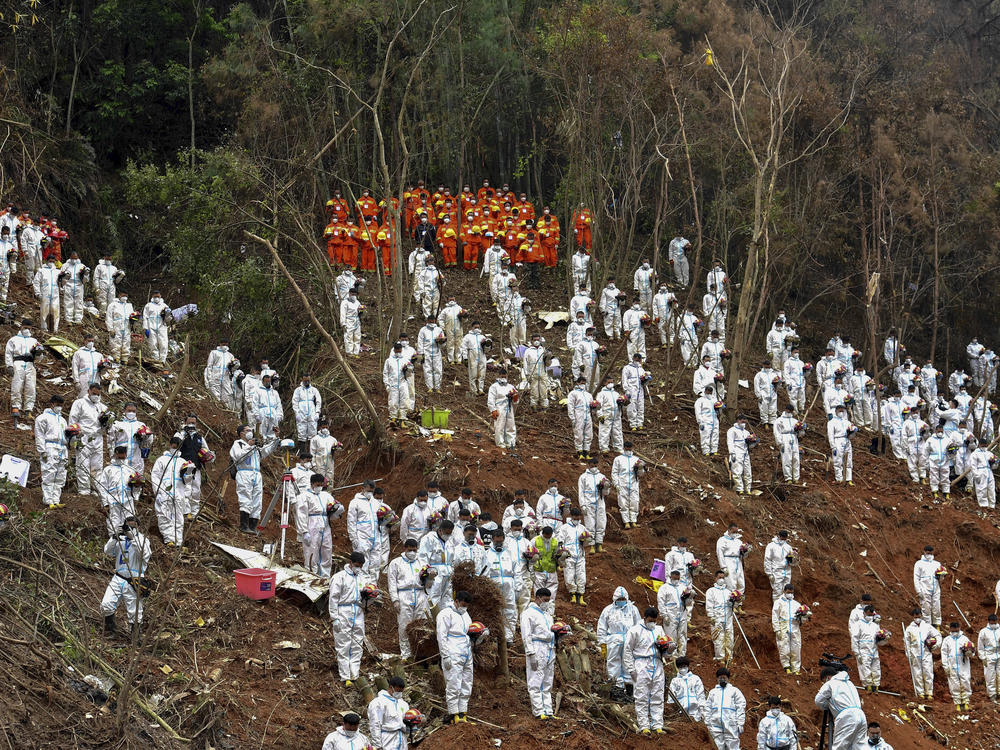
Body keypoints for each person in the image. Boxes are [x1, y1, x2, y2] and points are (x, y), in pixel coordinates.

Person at [100, 515, 151, 637]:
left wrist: (133, 538)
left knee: (135, 612)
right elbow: (107, 551)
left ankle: (135, 637)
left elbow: (144, 554)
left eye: (133, 526)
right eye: (128, 526)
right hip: (118, 577)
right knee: (106, 604)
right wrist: (114, 537)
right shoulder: (120, 540)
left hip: (134, 579)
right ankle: (110, 630)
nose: (130, 528)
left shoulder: (143, 540)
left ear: (138, 527)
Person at [623, 607, 669, 735]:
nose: (652, 623)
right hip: (641, 664)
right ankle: (644, 725)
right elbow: (627, 650)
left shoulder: (659, 630)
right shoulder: (635, 631)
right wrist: (631, 669)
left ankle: (658, 725)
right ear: (644, 618)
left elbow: (664, 651)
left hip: (657, 663)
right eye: (650, 620)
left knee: (658, 695)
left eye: (654, 620)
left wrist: (669, 649)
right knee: (642, 696)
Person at [229, 424, 278, 533]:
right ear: (242, 433)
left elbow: (266, 450)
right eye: (247, 430)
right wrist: (249, 446)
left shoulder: (255, 447)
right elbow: (238, 457)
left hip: (256, 474)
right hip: (244, 473)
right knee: (245, 498)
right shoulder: (238, 444)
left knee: (257, 500)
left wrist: (275, 438)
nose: (250, 432)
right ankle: (244, 525)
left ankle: (253, 526)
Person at [328, 552, 368, 686]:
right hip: (343, 611)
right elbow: (333, 599)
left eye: (361, 566)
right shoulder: (339, 577)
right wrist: (334, 618)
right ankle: (345, 676)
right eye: (357, 565)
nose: (358, 568)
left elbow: (365, 598)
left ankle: (354, 673)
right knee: (343, 644)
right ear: (350, 563)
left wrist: (370, 597)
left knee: (357, 643)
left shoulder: (362, 577)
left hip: (358, 611)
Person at [437, 590, 476, 724]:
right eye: (462, 604)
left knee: (467, 683)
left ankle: (462, 713)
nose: (464, 607)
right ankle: (453, 714)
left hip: (466, 653)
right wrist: (445, 655)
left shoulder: (465, 615)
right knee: (454, 684)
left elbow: (468, 632)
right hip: (453, 652)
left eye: (466, 605)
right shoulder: (445, 614)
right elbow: (441, 636)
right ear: (456, 601)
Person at [388, 538, 430, 661]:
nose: (412, 552)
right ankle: (406, 654)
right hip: (404, 595)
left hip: (420, 594)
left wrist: (430, 578)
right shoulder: (396, 563)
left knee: (420, 624)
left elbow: (428, 584)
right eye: (410, 550)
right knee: (404, 625)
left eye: (414, 550)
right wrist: (395, 600)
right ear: (404, 549)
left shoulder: (422, 562)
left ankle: (419, 652)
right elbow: (392, 583)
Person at [597, 586, 642, 701]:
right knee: (613, 663)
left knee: (628, 664)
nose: (621, 601)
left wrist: (638, 642)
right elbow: (602, 627)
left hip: (629, 640)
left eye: (623, 598)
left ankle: (629, 689)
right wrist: (602, 644)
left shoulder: (633, 609)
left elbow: (638, 626)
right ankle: (616, 688)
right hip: (613, 640)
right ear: (615, 599)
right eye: (619, 599)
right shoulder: (608, 610)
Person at [522, 587, 557, 719]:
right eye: (545, 600)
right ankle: (538, 711)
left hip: (549, 648)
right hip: (537, 648)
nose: (547, 603)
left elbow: (550, 633)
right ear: (537, 598)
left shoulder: (547, 615)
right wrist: (530, 653)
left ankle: (548, 710)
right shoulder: (528, 614)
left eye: (548, 600)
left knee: (547, 681)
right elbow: (526, 635)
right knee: (535, 680)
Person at [150, 436, 191, 547]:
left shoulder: (183, 462)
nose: (175, 447)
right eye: (174, 444)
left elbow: (187, 481)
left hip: (178, 492)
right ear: (170, 445)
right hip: (165, 492)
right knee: (164, 515)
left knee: (178, 517)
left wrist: (187, 495)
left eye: (178, 445)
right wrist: (159, 491)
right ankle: (169, 539)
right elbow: (155, 476)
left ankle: (178, 540)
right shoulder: (162, 460)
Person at [814, 667, 868, 750]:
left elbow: (818, 700)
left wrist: (827, 706)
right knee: (859, 747)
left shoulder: (830, 683)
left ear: (828, 677)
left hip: (847, 717)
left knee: (839, 747)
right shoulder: (850, 683)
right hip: (861, 716)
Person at [71, 384, 110, 496]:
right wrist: (75, 438)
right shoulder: (79, 403)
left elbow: (107, 427)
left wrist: (106, 422)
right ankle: (84, 490)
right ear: (88, 391)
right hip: (83, 436)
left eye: (98, 394)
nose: (96, 396)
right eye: (94, 393)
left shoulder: (102, 407)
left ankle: (95, 488)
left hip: (97, 437)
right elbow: (73, 421)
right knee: (83, 464)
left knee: (97, 465)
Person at [299, 473, 339, 576]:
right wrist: (304, 531)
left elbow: (333, 506)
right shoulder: (304, 496)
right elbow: (302, 514)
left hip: (325, 522)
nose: (319, 487)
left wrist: (337, 510)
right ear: (312, 484)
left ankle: (325, 576)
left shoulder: (325, 495)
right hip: (312, 522)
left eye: (321, 484)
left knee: (327, 549)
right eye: (317, 485)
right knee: (312, 550)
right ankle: (312, 574)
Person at [482, 529, 518, 643]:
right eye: (497, 542)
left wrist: (518, 587)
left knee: (510, 610)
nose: (499, 544)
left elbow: (517, 571)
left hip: (508, 585)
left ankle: (508, 638)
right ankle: (494, 637)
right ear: (492, 540)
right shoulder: (487, 554)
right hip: (494, 586)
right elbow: (483, 573)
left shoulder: (509, 553)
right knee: (493, 611)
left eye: (501, 542)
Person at [35, 395, 69, 509]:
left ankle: (56, 499)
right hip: (50, 446)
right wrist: (42, 451)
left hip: (62, 447)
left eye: (61, 405)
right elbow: (39, 435)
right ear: (52, 404)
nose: (59, 407)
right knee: (49, 472)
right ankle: (48, 500)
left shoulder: (63, 420)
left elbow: (67, 436)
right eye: (58, 405)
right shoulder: (43, 418)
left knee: (60, 474)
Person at [175, 414, 211, 518]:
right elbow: (174, 447)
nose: (191, 425)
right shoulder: (179, 435)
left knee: (196, 490)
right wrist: (184, 434)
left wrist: (208, 456)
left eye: (193, 423)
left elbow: (207, 451)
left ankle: (195, 512)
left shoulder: (199, 437)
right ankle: (185, 512)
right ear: (185, 422)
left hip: (197, 467)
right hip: (183, 468)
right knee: (185, 489)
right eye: (189, 422)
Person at [7, 318, 41, 421]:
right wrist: (9, 365)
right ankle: (16, 407)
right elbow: (8, 354)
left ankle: (28, 410)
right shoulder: (14, 339)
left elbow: (38, 358)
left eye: (29, 328)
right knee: (17, 385)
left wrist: (39, 354)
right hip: (18, 363)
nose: (27, 330)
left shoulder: (34, 341)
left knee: (30, 387)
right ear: (21, 327)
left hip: (30, 364)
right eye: (25, 328)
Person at [904, 607, 941, 700]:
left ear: (921, 615)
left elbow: (937, 635)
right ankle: (920, 693)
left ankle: (929, 692)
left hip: (926, 653)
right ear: (913, 617)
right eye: (915, 616)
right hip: (915, 654)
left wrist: (935, 645)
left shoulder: (927, 626)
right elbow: (906, 643)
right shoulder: (909, 629)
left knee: (928, 672)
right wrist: (908, 654)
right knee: (917, 673)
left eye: (919, 616)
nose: (917, 618)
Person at [418, 519, 455, 609]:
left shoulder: (449, 541)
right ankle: (432, 619)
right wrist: (427, 570)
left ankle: (444, 618)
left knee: (447, 597)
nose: (448, 535)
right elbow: (422, 556)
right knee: (433, 596)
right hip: (435, 572)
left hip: (448, 573)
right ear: (440, 530)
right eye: (446, 533)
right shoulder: (429, 538)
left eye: (449, 533)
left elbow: (453, 557)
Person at [705, 667, 745, 750]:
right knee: (717, 746)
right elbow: (707, 708)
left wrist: (740, 723)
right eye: (720, 678)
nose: (722, 679)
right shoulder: (713, 692)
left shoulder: (734, 691)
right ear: (717, 679)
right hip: (715, 725)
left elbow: (740, 706)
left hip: (730, 724)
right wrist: (707, 723)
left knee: (732, 746)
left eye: (724, 677)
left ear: (728, 678)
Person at [368, 676, 411, 750]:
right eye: (398, 691)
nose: (399, 693)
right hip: (387, 739)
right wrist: (377, 745)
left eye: (401, 691)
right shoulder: (378, 702)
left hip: (402, 738)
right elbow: (375, 724)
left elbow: (406, 722)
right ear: (391, 687)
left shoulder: (403, 704)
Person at [108, 403, 152, 474]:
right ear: (124, 411)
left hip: (136, 457)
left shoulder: (140, 425)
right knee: (121, 478)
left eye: (133, 411)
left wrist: (147, 436)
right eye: (129, 411)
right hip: (121, 456)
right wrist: (112, 456)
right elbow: (111, 441)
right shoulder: (117, 424)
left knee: (136, 480)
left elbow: (147, 443)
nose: (131, 413)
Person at [557, 507, 588, 605]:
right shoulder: (564, 527)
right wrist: (562, 552)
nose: (577, 519)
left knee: (581, 576)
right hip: (569, 555)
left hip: (580, 555)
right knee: (569, 576)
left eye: (578, 517)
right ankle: (573, 594)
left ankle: (581, 595)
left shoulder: (582, 527)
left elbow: (587, 540)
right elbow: (560, 541)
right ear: (571, 516)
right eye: (575, 517)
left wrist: (585, 540)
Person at [772, 584, 805, 674]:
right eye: (788, 592)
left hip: (794, 626)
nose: (790, 594)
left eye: (791, 592)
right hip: (783, 626)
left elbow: (801, 619)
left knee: (796, 648)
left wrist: (804, 617)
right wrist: (777, 629)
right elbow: (775, 616)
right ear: (784, 591)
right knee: (784, 647)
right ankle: (786, 666)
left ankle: (796, 669)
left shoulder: (796, 604)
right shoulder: (778, 602)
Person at [940, 622, 974, 710]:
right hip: (952, 664)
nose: (955, 631)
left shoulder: (964, 639)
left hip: (963, 663)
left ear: (959, 628)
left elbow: (971, 651)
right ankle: (957, 703)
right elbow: (944, 653)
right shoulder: (947, 640)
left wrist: (969, 653)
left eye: (956, 629)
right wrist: (945, 666)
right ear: (950, 629)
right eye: (953, 630)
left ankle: (966, 702)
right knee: (954, 683)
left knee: (965, 680)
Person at [657, 568, 691, 657]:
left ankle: (682, 654)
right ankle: (672, 656)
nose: (676, 580)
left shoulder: (682, 587)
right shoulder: (664, 588)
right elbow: (661, 602)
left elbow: (688, 603)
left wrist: (689, 598)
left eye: (678, 578)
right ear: (670, 577)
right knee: (671, 636)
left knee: (683, 635)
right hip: (670, 615)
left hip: (682, 614)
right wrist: (664, 615)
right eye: (674, 578)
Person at [578, 457, 609, 552]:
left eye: (595, 465)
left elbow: (606, 493)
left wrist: (605, 487)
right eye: (592, 465)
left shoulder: (602, 476)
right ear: (589, 464)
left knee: (601, 523)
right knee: (590, 524)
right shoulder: (583, 477)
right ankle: (591, 546)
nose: (594, 466)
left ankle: (599, 545)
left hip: (600, 502)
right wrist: (582, 504)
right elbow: (581, 492)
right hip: (588, 503)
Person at [529, 526, 561, 616]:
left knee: (552, 592)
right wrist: (531, 571)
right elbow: (530, 555)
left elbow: (559, 554)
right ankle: (538, 612)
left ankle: (549, 613)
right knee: (539, 592)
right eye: (546, 535)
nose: (547, 537)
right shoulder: (535, 540)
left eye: (549, 536)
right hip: (539, 569)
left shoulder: (555, 541)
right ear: (542, 533)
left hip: (551, 569)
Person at [852, 605, 884, 693]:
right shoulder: (858, 624)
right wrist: (857, 652)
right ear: (864, 613)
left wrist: (884, 639)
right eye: (868, 614)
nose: (869, 616)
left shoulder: (875, 625)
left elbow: (878, 639)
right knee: (865, 668)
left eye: (871, 614)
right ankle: (868, 686)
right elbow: (854, 639)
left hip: (874, 650)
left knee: (876, 668)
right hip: (864, 650)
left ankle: (876, 686)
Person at [705, 570, 736, 661]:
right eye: (720, 578)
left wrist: (735, 601)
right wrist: (711, 616)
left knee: (729, 638)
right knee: (719, 639)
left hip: (728, 618)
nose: (721, 580)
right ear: (715, 578)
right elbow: (709, 605)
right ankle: (720, 658)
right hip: (717, 619)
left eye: (723, 578)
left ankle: (729, 658)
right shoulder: (711, 591)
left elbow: (731, 605)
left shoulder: (728, 592)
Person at [611, 441, 643, 528]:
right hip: (622, 483)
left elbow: (641, 474)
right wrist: (616, 484)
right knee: (623, 502)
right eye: (626, 448)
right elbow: (614, 472)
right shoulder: (618, 459)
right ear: (624, 447)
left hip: (633, 483)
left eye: (630, 448)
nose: (628, 449)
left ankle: (633, 521)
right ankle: (626, 522)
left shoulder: (636, 459)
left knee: (634, 501)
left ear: (632, 448)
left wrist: (640, 468)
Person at [913, 545, 943, 627]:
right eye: (927, 552)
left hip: (935, 588)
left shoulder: (937, 564)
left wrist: (941, 576)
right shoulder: (919, 564)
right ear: (924, 552)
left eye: (930, 552)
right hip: (924, 588)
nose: (929, 554)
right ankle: (927, 627)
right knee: (926, 609)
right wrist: (918, 590)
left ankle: (937, 626)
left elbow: (941, 578)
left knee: (937, 608)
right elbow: (916, 578)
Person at [487, 370, 518, 449]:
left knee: (510, 426)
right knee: (499, 426)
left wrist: (515, 398)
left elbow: (516, 400)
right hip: (499, 408)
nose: (503, 377)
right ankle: (500, 443)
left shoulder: (510, 387)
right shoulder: (494, 386)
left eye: (505, 376)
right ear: (498, 375)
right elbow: (491, 399)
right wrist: (493, 410)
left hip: (509, 407)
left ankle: (511, 443)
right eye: (502, 376)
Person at [567, 376, 595, 459]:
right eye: (581, 383)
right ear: (577, 383)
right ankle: (579, 451)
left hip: (588, 416)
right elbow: (570, 405)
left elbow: (592, 406)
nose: (583, 384)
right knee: (579, 434)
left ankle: (586, 452)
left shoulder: (588, 395)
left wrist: (594, 408)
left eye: (584, 383)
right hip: (578, 416)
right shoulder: (573, 393)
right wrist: (572, 417)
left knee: (589, 434)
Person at [827, 405, 856, 485]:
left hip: (846, 440)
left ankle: (848, 478)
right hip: (837, 440)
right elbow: (830, 435)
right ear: (836, 411)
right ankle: (839, 478)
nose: (841, 412)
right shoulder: (831, 422)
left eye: (842, 411)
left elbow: (852, 432)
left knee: (849, 460)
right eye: (840, 411)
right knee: (838, 460)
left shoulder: (847, 422)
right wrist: (833, 446)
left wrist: (852, 433)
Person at [670, 657, 705, 721]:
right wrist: (672, 711)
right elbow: (671, 697)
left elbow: (700, 694)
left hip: (695, 714)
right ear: (678, 668)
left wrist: (702, 709)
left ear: (688, 666)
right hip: (680, 715)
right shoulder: (675, 681)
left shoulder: (695, 679)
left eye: (684, 666)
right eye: (680, 667)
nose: (683, 669)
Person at [417, 315, 445, 394]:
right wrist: (420, 354)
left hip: (436, 352)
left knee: (438, 369)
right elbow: (420, 343)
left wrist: (441, 341)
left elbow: (443, 345)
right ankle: (430, 387)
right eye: (430, 320)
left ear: (435, 320)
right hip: (426, 353)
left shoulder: (439, 330)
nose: (431, 321)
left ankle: (437, 387)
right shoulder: (423, 330)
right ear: (427, 320)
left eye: (433, 320)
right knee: (427, 369)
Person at [71, 332, 105, 399]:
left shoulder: (98, 355)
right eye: (89, 341)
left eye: (92, 341)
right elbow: (74, 367)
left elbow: (102, 370)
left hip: (96, 379)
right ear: (84, 341)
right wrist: (76, 381)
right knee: (83, 398)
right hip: (84, 379)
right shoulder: (79, 353)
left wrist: (104, 369)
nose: (91, 343)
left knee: (95, 398)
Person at [726, 415, 754, 495]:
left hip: (745, 453)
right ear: (738, 420)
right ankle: (739, 489)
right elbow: (730, 442)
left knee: (748, 471)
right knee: (737, 471)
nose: (744, 422)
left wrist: (753, 442)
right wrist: (732, 453)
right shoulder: (732, 430)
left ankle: (748, 489)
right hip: (737, 452)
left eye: (745, 421)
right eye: (742, 421)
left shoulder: (746, 432)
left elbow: (749, 446)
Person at [763, 530, 794, 601]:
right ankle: (777, 610)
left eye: (785, 539)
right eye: (782, 539)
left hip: (787, 571)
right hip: (776, 571)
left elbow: (791, 561)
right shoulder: (771, 546)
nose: (783, 540)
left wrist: (793, 558)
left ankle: (785, 609)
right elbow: (767, 560)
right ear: (778, 536)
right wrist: (769, 574)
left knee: (787, 591)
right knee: (777, 592)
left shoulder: (788, 547)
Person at [383, 343, 411, 423]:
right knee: (393, 401)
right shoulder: (389, 361)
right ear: (394, 350)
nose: (398, 352)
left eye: (400, 350)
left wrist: (407, 370)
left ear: (401, 350)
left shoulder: (405, 360)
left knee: (404, 400)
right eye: (397, 350)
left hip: (403, 383)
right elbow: (385, 373)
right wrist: (387, 384)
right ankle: (393, 418)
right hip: (393, 384)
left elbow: (410, 374)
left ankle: (402, 418)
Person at [291, 374, 322, 447]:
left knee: (313, 433)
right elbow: (294, 402)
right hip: (301, 413)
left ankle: (312, 452)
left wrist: (317, 412)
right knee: (301, 433)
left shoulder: (314, 390)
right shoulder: (298, 390)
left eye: (308, 380)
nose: (307, 382)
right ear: (302, 380)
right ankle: (302, 453)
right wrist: (297, 413)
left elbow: (318, 401)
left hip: (312, 413)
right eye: (305, 381)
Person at [596, 379, 625, 454]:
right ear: (605, 383)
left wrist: (621, 403)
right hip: (606, 416)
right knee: (604, 432)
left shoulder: (616, 393)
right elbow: (598, 405)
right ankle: (604, 448)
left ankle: (618, 448)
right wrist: (600, 415)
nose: (611, 383)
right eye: (609, 382)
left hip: (616, 415)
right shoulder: (601, 394)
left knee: (617, 432)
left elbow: (620, 403)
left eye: (612, 382)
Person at [622, 353, 650, 431]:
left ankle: (640, 423)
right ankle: (633, 424)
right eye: (636, 358)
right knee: (631, 406)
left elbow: (644, 382)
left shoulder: (641, 369)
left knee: (640, 406)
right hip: (631, 390)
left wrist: (646, 379)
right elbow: (624, 380)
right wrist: (626, 390)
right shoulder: (627, 368)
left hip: (640, 390)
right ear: (633, 358)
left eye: (639, 358)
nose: (637, 360)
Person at [460, 321, 489, 395]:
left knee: (482, 373)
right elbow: (463, 347)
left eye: (478, 327)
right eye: (475, 327)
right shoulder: (467, 336)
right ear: (472, 327)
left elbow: (487, 350)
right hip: (472, 354)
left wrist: (487, 345)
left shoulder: (482, 337)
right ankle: (474, 390)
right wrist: (465, 357)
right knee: (473, 373)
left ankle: (480, 389)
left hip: (482, 355)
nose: (477, 329)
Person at [716, 523, 746, 593]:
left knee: (741, 581)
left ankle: (739, 600)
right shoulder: (722, 540)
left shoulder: (738, 541)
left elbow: (742, 554)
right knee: (731, 582)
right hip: (728, 561)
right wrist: (723, 567)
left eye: (736, 532)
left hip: (738, 562)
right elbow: (719, 553)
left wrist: (745, 551)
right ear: (729, 530)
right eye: (733, 532)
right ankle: (731, 599)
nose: (735, 534)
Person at [923, 423, 951, 498]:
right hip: (933, 461)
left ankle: (946, 492)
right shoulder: (930, 440)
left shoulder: (947, 440)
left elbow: (952, 451)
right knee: (933, 477)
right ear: (935, 431)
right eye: (939, 431)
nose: (940, 433)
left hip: (944, 460)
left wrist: (952, 452)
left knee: (945, 476)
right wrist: (926, 463)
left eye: (941, 431)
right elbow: (925, 452)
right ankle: (935, 491)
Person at [977, 613, 1000, 703]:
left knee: (999, 674)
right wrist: (983, 658)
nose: (993, 623)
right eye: (992, 622)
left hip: (999, 654)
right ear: (989, 621)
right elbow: (980, 646)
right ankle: (992, 694)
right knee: (990, 676)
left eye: (995, 621)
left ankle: (999, 692)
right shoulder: (984, 632)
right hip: (989, 656)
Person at [967, 437, 997, 509]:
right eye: (983, 445)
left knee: (991, 489)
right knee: (981, 489)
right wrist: (976, 475)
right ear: (979, 445)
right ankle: (983, 505)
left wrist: (993, 462)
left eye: (985, 445)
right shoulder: (975, 454)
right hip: (980, 472)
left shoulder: (989, 453)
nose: (984, 446)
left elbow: (995, 466)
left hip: (989, 471)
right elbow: (973, 465)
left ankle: (992, 505)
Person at [141, 291, 170, 362]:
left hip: (162, 326)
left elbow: (169, 319)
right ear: (152, 297)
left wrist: (167, 314)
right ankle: (155, 360)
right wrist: (145, 328)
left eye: (158, 296)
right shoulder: (148, 305)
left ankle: (162, 360)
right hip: (151, 326)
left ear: (160, 296)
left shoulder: (164, 306)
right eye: (155, 297)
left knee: (163, 344)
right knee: (152, 343)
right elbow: (145, 317)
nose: (157, 298)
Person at [105, 291, 134, 361]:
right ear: (119, 295)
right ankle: (116, 358)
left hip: (127, 327)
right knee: (115, 342)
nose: (125, 297)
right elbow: (109, 317)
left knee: (126, 342)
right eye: (123, 295)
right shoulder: (113, 305)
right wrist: (110, 328)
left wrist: (134, 322)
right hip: (116, 326)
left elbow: (132, 316)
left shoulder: (129, 306)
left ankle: (125, 358)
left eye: (126, 295)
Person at [523, 335, 548, 409]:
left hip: (542, 372)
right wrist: (527, 374)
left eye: (538, 339)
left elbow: (547, 362)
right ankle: (534, 405)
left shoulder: (543, 350)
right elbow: (525, 363)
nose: (536, 341)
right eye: (534, 340)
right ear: (532, 341)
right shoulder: (528, 351)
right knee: (534, 389)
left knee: (543, 389)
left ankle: (544, 405)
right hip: (533, 373)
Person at [572, 327, 601, 391]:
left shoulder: (596, 344)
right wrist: (580, 364)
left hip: (595, 364)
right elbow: (578, 355)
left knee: (596, 380)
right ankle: (587, 394)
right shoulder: (581, 344)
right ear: (586, 334)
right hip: (586, 364)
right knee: (587, 380)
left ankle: (594, 395)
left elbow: (599, 355)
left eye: (592, 334)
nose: (590, 336)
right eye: (589, 334)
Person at [438, 297, 465, 365]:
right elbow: (440, 319)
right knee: (450, 343)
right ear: (448, 300)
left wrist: (464, 317)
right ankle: (451, 359)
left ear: (455, 300)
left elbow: (465, 318)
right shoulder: (445, 310)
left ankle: (458, 359)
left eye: (453, 299)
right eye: (450, 299)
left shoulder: (459, 308)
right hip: (449, 328)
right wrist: (443, 327)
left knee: (459, 343)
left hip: (459, 327)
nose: (452, 301)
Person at [695, 386, 721, 455]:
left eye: (710, 391)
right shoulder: (700, 400)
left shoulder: (714, 400)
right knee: (705, 436)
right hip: (705, 420)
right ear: (705, 391)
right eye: (708, 391)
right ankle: (706, 451)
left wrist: (719, 409)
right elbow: (698, 411)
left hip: (714, 420)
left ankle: (714, 450)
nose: (709, 392)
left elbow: (719, 409)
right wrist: (700, 421)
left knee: (715, 435)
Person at [754, 360, 780, 427]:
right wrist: (758, 395)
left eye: (768, 365)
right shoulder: (759, 375)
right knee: (763, 408)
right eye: (766, 365)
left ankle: (772, 422)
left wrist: (777, 384)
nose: (767, 366)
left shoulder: (774, 374)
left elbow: (778, 385)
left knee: (773, 408)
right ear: (763, 365)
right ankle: (765, 423)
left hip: (773, 393)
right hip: (764, 394)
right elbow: (756, 385)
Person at [339, 286, 363, 356]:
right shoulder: (345, 302)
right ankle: (349, 353)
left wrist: (361, 310)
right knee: (348, 337)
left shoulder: (357, 302)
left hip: (356, 321)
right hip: (348, 321)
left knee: (357, 337)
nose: (353, 296)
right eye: (352, 294)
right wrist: (343, 323)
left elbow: (359, 313)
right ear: (349, 294)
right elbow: (342, 313)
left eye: (355, 294)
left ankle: (356, 352)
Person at [652, 283, 677, 348]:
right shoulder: (656, 296)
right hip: (661, 314)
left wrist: (673, 302)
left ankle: (671, 341)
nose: (663, 286)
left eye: (664, 285)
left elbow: (676, 306)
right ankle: (664, 343)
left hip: (669, 313)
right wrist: (656, 316)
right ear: (659, 286)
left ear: (666, 286)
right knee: (661, 328)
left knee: (671, 327)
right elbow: (654, 307)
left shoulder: (671, 295)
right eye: (662, 285)